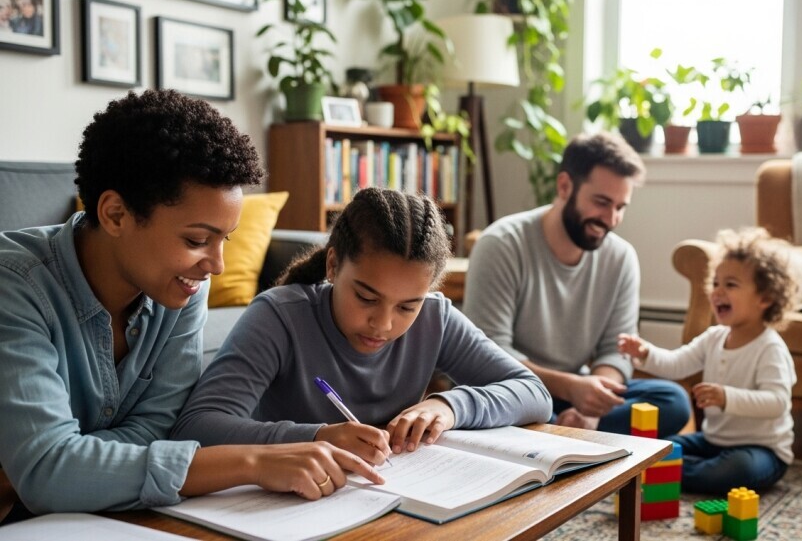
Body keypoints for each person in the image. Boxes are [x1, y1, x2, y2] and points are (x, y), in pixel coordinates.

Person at [0, 90, 383, 525]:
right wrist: (252, 462)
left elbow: (156, 428)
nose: (216, 267)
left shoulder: (181, 290)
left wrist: (78, 464)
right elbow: (48, 470)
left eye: (226, 240)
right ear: (115, 215)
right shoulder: (14, 286)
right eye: (196, 241)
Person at [171, 187, 551, 459]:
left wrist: (450, 406)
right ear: (333, 265)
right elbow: (198, 427)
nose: (383, 324)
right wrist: (320, 437)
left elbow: (535, 395)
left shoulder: (436, 318)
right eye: (367, 298)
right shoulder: (280, 315)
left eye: (407, 306)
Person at [462, 132, 691, 438]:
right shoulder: (502, 244)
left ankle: (566, 435)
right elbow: (490, 354)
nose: (610, 219)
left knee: (673, 401)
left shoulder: (621, 258)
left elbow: (615, 349)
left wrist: (591, 408)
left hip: (575, 392)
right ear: (565, 186)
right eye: (601, 202)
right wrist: (571, 387)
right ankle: (571, 438)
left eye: (621, 207)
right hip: (510, 388)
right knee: (509, 408)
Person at [618, 227, 798, 494]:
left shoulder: (769, 347)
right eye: (715, 283)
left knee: (737, 470)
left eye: (731, 284)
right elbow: (676, 363)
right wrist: (646, 353)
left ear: (766, 298)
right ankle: (665, 467)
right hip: (712, 440)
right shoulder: (714, 337)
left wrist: (726, 397)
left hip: (762, 450)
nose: (717, 292)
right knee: (661, 447)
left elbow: (777, 402)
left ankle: (668, 472)